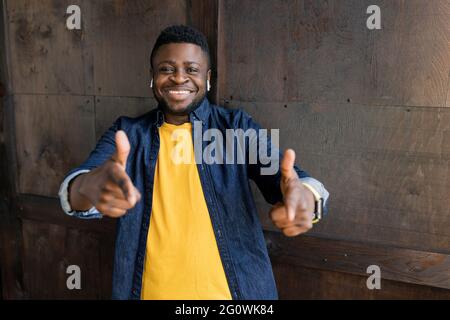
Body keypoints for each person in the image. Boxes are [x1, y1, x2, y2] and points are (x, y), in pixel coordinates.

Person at [58, 25, 329, 300]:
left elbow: (294, 181)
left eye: (191, 69)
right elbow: (79, 186)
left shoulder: (235, 129)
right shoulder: (127, 134)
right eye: (166, 69)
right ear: (152, 77)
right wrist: (86, 187)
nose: (178, 78)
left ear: (207, 78)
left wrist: (305, 197)